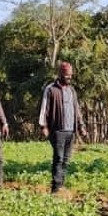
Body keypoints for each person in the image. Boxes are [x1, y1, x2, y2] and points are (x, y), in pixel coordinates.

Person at [38, 61, 86, 193]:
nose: (69, 77)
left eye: (70, 75)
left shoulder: (72, 90)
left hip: (71, 130)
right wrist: (43, 126)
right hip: (57, 130)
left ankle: (61, 183)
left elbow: (77, 109)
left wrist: (81, 125)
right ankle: (56, 187)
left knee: (66, 159)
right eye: (66, 75)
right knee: (58, 158)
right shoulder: (50, 89)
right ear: (60, 74)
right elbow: (44, 108)